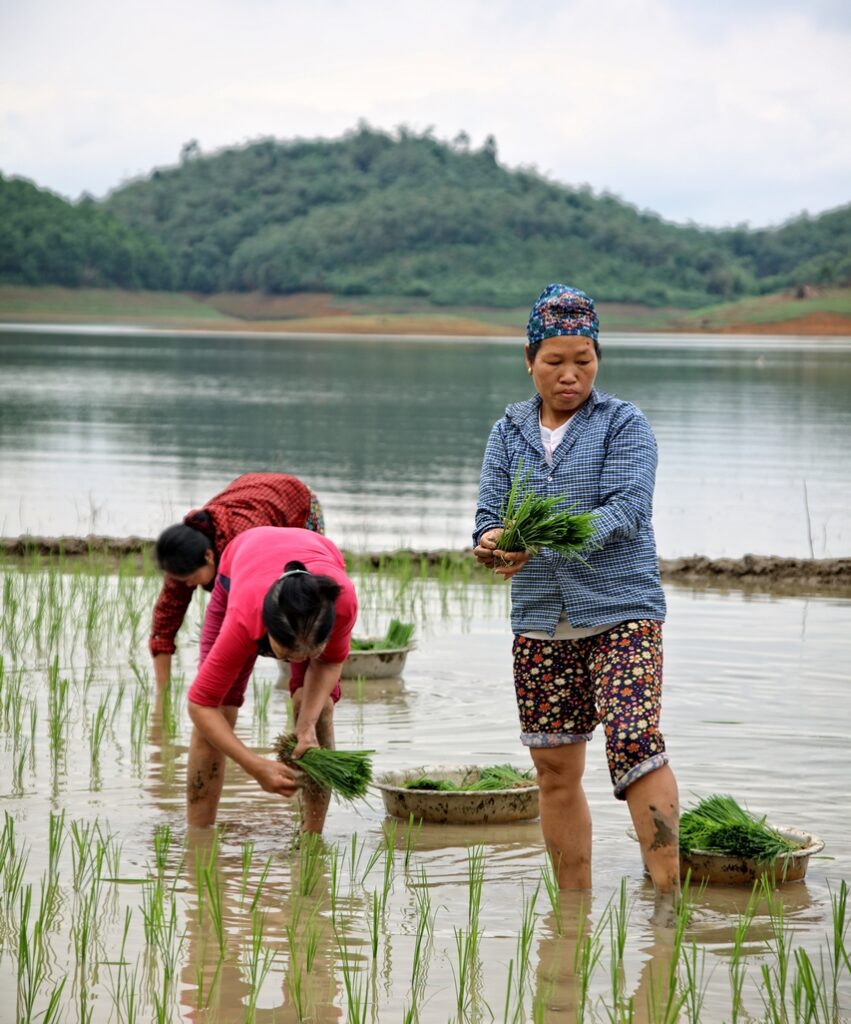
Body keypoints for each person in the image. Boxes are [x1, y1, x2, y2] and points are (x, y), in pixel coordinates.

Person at [473, 283, 680, 892]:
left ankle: (667, 892)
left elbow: (626, 510)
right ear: (529, 360)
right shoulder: (509, 430)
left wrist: (539, 537)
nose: (570, 375)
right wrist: (490, 544)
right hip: (539, 617)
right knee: (553, 767)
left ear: (598, 359)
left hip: (623, 612)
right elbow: (488, 513)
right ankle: (572, 911)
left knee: (635, 740)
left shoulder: (624, 424)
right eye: (555, 361)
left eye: (583, 361)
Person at [185, 526, 358, 834]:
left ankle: (310, 839)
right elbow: (200, 704)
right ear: (265, 631)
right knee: (219, 710)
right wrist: (255, 765)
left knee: (319, 712)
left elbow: (330, 661)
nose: (297, 663)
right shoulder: (245, 615)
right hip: (242, 560)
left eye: (308, 655)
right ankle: (199, 836)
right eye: (289, 655)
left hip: (314, 563)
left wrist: (305, 727)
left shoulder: (342, 604)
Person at [150, 472, 324, 690]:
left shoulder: (248, 546)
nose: (188, 585)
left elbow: (251, 615)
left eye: (191, 579)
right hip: (253, 491)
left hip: (296, 501)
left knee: (298, 601)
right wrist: (162, 696)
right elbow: (164, 625)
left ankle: (301, 685)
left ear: (209, 556)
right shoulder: (183, 558)